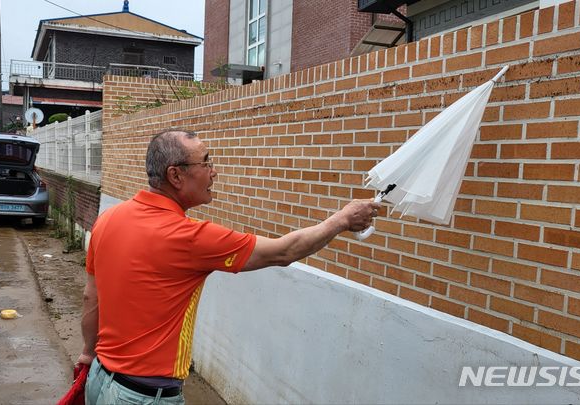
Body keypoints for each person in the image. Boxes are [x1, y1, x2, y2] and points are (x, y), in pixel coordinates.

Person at [78, 129, 381, 404]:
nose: (214, 172)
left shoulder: (109, 219)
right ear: (176, 175)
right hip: (144, 397)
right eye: (206, 163)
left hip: (100, 380)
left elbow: (91, 298)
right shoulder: (189, 237)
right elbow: (284, 251)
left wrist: (87, 354)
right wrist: (342, 220)